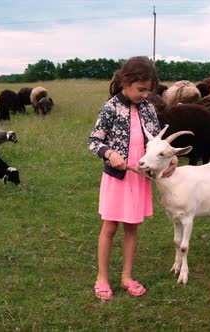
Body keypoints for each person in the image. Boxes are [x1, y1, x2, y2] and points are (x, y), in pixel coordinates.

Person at [88, 56, 178, 300]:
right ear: (126, 82)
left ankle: (127, 276)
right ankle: (102, 278)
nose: (145, 95)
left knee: (132, 228)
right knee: (109, 227)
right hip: (117, 178)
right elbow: (94, 141)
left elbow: (156, 142)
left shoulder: (148, 107)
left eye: (148, 90)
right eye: (141, 90)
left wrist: (170, 158)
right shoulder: (110, 108)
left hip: (139, 178)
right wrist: (109, 153)